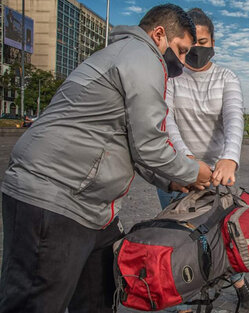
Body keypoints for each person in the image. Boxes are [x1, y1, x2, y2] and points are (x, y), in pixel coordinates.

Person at [0, 4, 213, 313]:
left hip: (93, 209)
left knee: (98, 299)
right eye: (181, 51)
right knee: (36, 303)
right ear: (159, 34)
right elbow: (149, 145)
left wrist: (170, 179)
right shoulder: (142, 57)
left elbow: (129, 143)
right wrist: (194, 171)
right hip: (55, 198)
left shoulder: (124, 56)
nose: (182, 63)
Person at [155, 9, 249, 312]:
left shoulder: (226, 77)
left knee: (220, 237)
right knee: (181, 240)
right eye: (191, 43)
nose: (196, 48)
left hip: (217, 176)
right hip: (179, 172)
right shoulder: (170, 75)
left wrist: (229, 159)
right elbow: (167, 119)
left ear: (212, 42)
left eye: (203, 41)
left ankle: (238, 281)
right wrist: (185, 163)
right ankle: (185, 302)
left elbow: (234, 119)